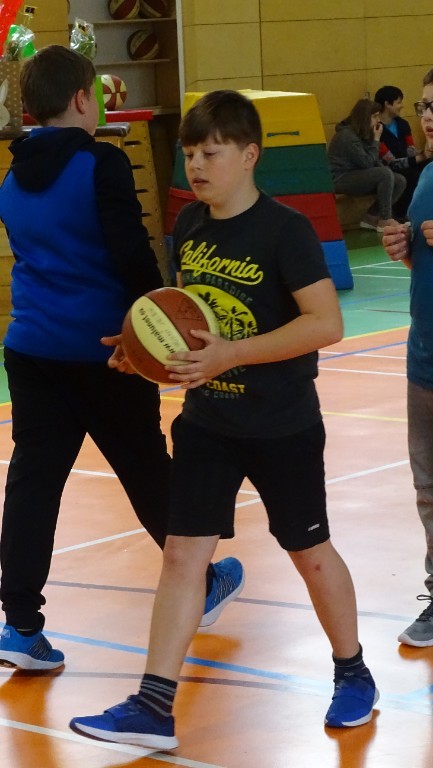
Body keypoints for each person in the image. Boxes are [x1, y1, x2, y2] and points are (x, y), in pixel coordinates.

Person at [70, 89, 379, 749]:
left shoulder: (285, 231)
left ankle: (353, 671)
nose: (196, 166)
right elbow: (190, 320)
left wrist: (232, 355)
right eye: (189, 154)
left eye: (210, 153)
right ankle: (153, 706)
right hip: (208, 422)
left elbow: (326, 323)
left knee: (308, 553)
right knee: (183, 555)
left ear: (249, 155)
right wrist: (144, 353)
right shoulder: (189, 225)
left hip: (281, 425)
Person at [0, 47, 244, 671]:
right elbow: (129, 250)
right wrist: (158, 322)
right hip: (107, 353)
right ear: (83, 98)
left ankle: (19, 625)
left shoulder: (11, 177)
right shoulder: (99, 162)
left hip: (30, 350)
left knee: (33, 483)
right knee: (146, 469)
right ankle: (203, 582)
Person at [381, 68, 433, 647]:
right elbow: (424, 264)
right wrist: (405, 249)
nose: (429, 117)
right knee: (429, 489)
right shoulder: (426, 176)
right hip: (424, 359)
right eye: (424, 107)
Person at [328, 98, 406, 232]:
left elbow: (373, 161)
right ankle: (385, 219)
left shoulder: (361, 133)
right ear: (364, 117)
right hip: (340, 178)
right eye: (375, 117)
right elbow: (367, 163)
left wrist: (386, 170)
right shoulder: (347, 136)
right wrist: (376, 140)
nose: (378, 121)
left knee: (399, 180)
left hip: (356, 174)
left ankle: (371, 216)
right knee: (384, 174)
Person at [374, 85, 433, 219]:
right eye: (399, 102)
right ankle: (403, 215)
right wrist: (421, 157)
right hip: (388, 167)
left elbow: (410, 149)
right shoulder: (377, 128)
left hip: (407, 162)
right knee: (413, 176)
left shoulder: (402, 124)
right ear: (387, 104)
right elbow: (391, 162)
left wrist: (424, 152)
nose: (402, 106)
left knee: (429, 167)